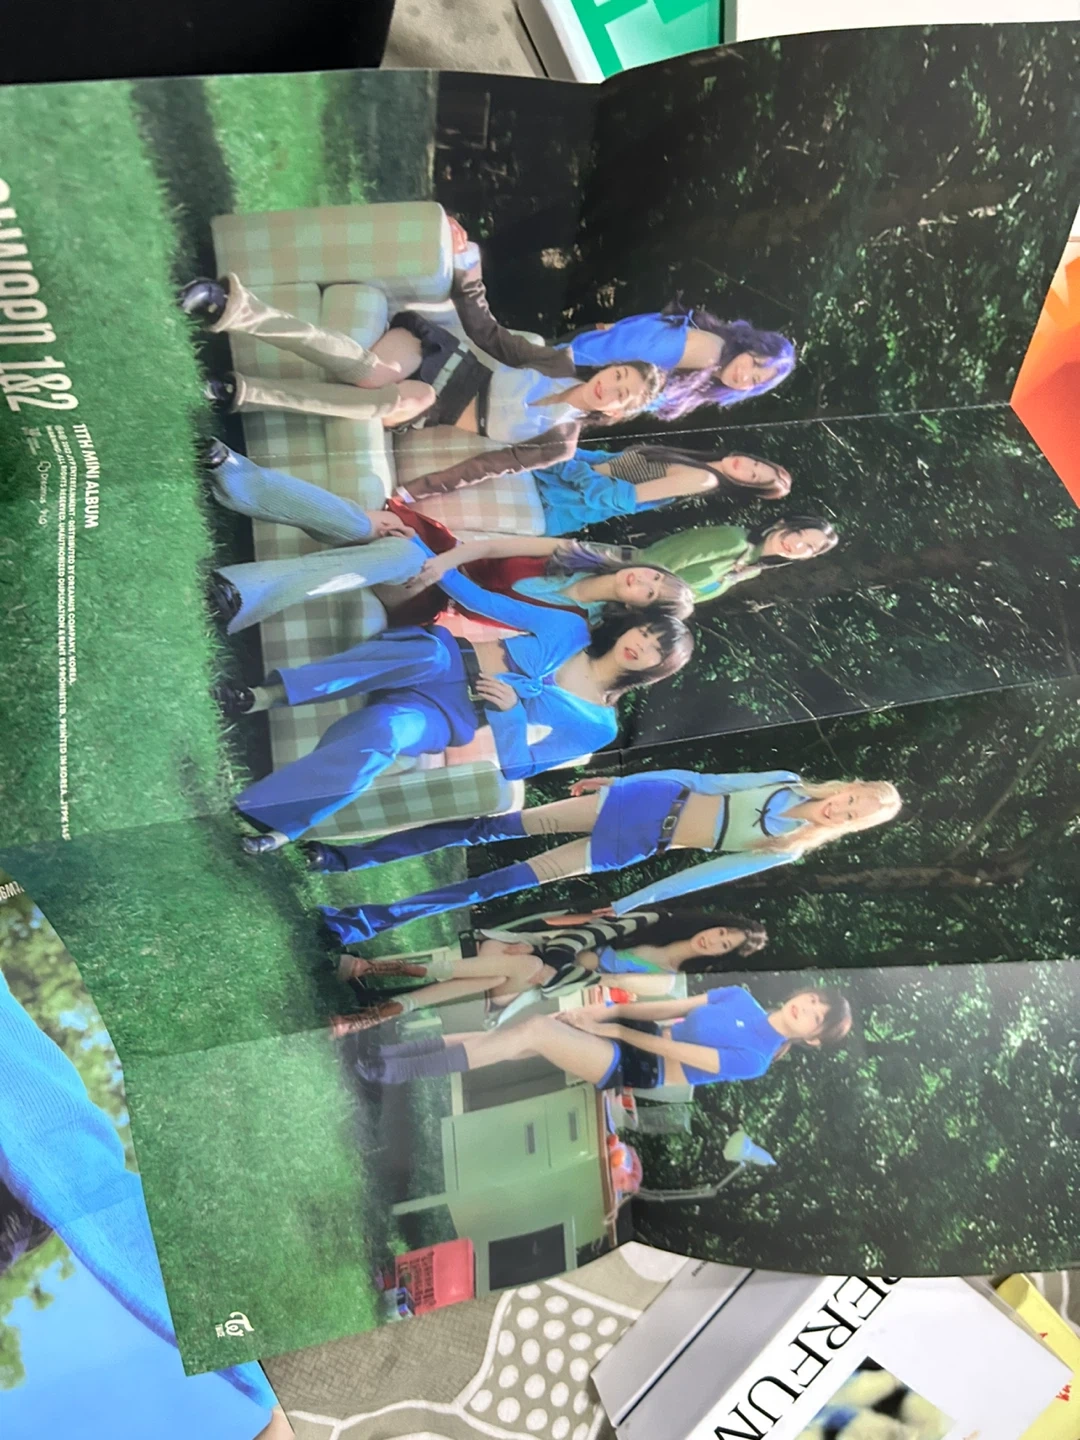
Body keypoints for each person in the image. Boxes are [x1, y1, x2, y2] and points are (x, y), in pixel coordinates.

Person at [223, 567, 693, 853]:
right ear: (633, 626)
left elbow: (518, 767)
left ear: (658, 669)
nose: (641, 644)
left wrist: (511, 713)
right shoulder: (570, 628)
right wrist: (430, 559)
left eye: (656, 650)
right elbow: (483, 601)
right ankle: (264, 696)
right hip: (443, 658)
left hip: (450, 713)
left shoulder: (598, 726)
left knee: (385, 735)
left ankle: (279, 823)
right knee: (424, 653)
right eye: (646, 632)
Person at [178, 223, 664, 489]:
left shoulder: (560, 445)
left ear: (616, 413)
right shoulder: (555, 362)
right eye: (620, 374)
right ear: (610, 366)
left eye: (622, 394)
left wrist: (414, 494)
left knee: (402, 397)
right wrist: (466, 260)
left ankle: (240, 390)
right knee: (370, 373)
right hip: (437, 355)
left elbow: (484, 468)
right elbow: (486, 331)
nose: (612, 386)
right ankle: (232, 309)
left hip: (432, 406)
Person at [315, 770, 901, 943]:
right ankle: (343, 860)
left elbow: (697, 875)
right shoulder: (785, 779)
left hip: (633, 845)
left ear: (852, 828)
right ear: (848, 787)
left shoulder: (784, 851)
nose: (842, 810)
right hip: (638, 800)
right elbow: (699, 779)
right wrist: (620, 780)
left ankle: (360, 923)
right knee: (485, 830)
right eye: (852, 799)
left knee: (495, 885)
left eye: (854, 817)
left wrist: (627, 903)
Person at [203, 441, 695, 632]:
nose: (642, 581)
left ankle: (245, 580)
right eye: (654, 576)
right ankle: (236, 485)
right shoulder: (576, 553)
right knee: (364, 526)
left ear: (639, 610)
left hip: (432, 592)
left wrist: (430, 563)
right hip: (443, 553)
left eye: (651, 594)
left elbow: (480, 605)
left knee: (399, 551)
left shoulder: (572, 625)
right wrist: (435, 552)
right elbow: (494, 546)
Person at [327, 905, 769, 1033]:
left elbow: (598, 974)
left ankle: (377, 969)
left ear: (720, 956)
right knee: (504, 969)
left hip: (537, 987)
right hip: (533, 955)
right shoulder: (656, 920)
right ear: (714, 923)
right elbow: (592, 933)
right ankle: (371, 1016)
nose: (713, 939)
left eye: (723, 945)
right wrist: (551, 959)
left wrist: (553, 967)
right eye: (721, 931)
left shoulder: (667, 981)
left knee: (509, 971)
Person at [352, 984, 852, 1091]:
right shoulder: (740, 997)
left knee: (533, 1030)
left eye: (816, 1018)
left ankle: (390, 1071)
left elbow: (672, 1049)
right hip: (636, 1031)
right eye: (813, 1000)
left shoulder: (756, 1059)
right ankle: (389, 1057)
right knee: (517, 1040)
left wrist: (609, 1028)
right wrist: (608, 1010)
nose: (806, 1008)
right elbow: (666, 1010)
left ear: (812, 1039)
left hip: (641, 1064)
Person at [397, 438, 792, 513]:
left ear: (743, 486)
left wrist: (565, 463)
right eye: (757, 463)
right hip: (556, 478)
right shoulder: (695, 460)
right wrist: (562, 448)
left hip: (555, 501)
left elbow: (617, 498)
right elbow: (608, 459)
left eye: (754, 477)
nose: (748, 467)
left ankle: (402, 497)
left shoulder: (703, 479)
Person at [639, 516, 838, 605]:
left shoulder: (752, 570)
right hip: (627, 580)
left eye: (809, 548)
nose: (798, 545)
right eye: (799, 533)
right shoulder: (734, 539)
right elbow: (654, 560)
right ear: (782, 523)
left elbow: (686, 601)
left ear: (807, 558)